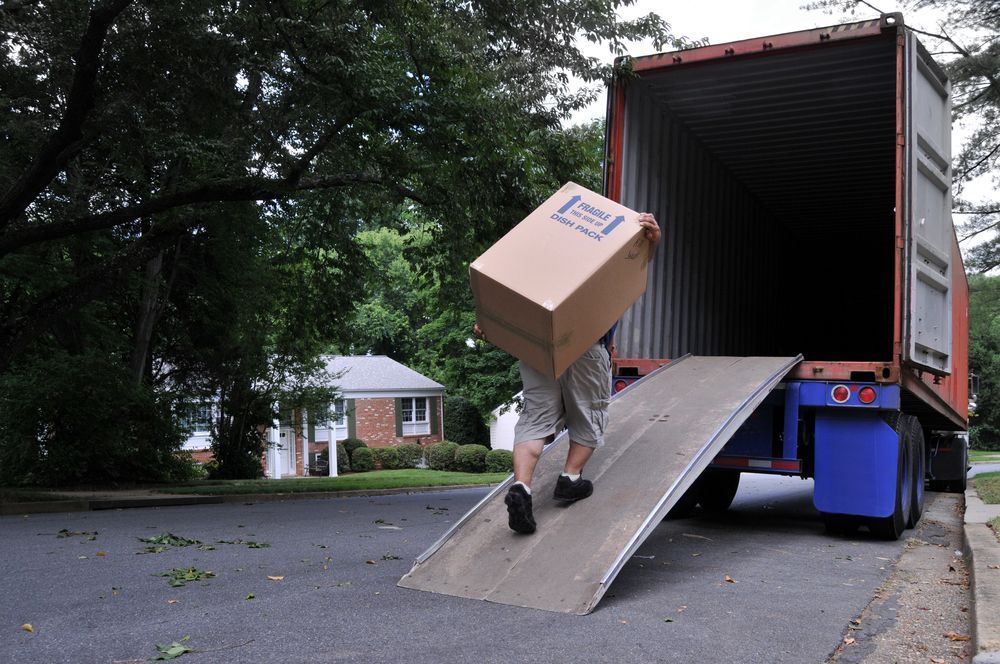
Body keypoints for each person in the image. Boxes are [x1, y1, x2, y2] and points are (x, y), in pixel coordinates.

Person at [475, 213, 661, 534]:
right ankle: (570, 479)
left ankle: (522, 487)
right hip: (586, 344)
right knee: (589, 415)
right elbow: (630, 267)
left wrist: (493, 326)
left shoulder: (534, 262)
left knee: (535, 418)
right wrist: (651, 241)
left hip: (535, 344)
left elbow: (502, 299)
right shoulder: (594, 265)